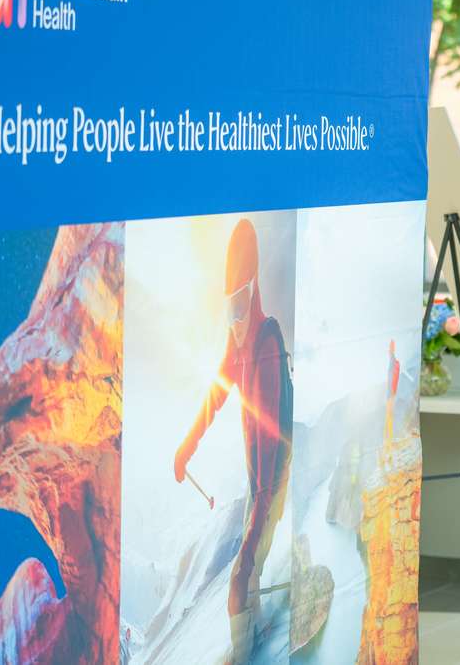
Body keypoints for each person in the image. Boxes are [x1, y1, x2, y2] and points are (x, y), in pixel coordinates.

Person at [173, 218, 294, 664]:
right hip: (257, 475)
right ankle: (257, 638)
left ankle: (247, 654)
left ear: (254, 292)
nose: (235, 319)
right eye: (229, 309)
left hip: (273, 475)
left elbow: (270, 437)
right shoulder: (238, 343)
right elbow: (216, 395)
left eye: (241, 305)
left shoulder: (265, 344)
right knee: (249, 571)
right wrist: (187, 446)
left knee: (241, 578)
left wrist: (261, 508)